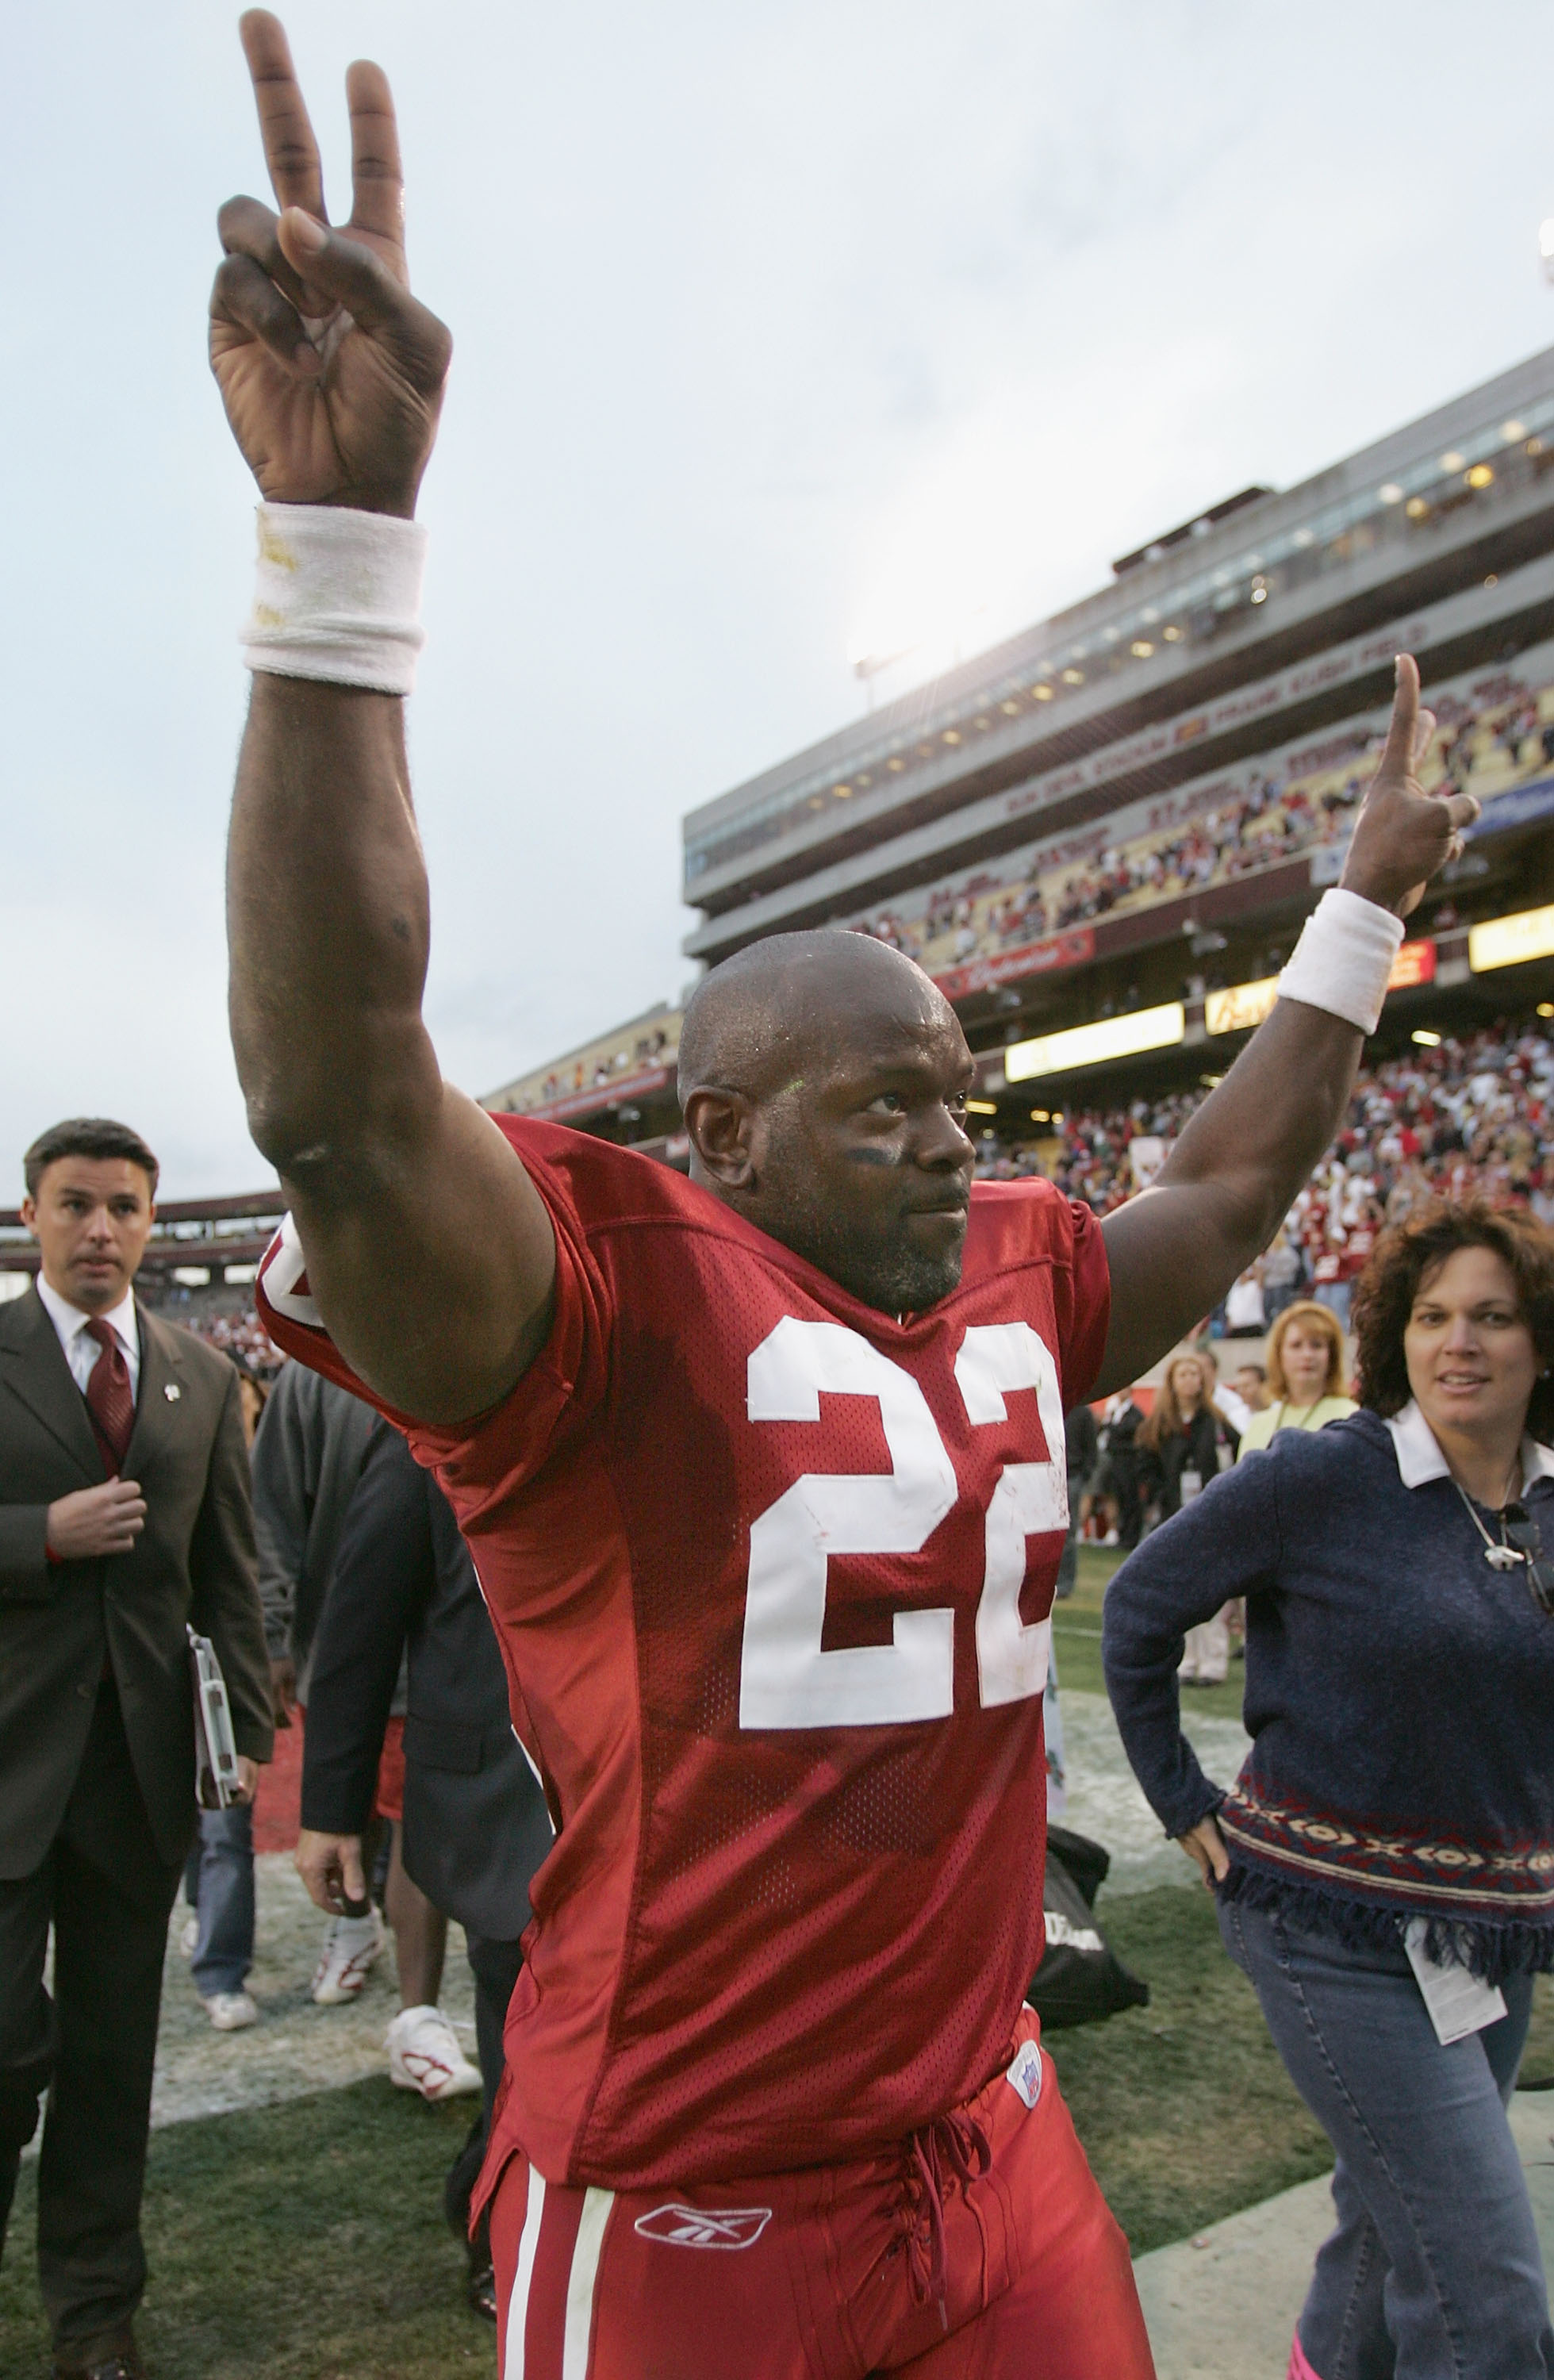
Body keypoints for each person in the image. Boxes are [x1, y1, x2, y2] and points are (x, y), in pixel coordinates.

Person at [208, 18, 1472, 2370]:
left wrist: (1352, 910)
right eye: (879, 1100)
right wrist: (340, 565)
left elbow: (1219, 1168)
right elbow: (342, 1098)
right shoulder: (593, 1303)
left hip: (988, 2128)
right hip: (684, 2198)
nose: (944, 1136)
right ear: (718, 1136)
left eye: (960, 1096)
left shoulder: (1010, 1267)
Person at [1101, 1202, 1554, 2379]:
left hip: (1489, 1938)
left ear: (1537, 1344)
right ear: (1394, 1337)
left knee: (1383, 2234)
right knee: (1489, 2310)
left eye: (1491, 1318)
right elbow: (1139, 1611)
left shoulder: (1551, 1503)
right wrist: (1180, 1800)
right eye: (1431, 1315)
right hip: (1322, 1928)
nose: (1457, 1342)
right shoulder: (1323, 1474)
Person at [0, 1119, 273, 2380]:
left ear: (151, 1222)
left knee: (112, 2066)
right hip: (4, 1773)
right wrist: (36, 1534)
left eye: (123, 1207)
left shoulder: (200, 1377)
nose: (100, 1228)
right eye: (75, 1205)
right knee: (6, 2057)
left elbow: (230, 1574)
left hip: (137, 1779)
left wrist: (248, 1733)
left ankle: (95, 2321)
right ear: (31, 1216)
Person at [296, 1420, 554, 2319]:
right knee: (518, 2021)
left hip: (645, 1781)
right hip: (497, 1798)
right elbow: (360, 1619)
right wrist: (331, 1812)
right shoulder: (430, 1420)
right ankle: (501, 2238)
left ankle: (502, 2198)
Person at [249, 1357, 382, 2001]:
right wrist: (272, 1634)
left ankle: (418, 2001)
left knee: (427, 1813)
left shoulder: (466, 1343)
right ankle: (354, 1924)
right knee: (345, 1800)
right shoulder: (309, 1376)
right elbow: (270, 1516)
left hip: (442, 1642)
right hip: (335, 1642)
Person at [1136, 1355, 1239, 1683]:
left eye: (1195, 1373)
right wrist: (1155, 1494)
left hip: (1211, 1515)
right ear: (1172, 1381)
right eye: (1183, 1373)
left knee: (1212, 1592)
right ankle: (1188, 1659)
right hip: (1174, 1515)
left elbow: (1237, 1455)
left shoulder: (1217, 1421)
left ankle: (1213, 1662)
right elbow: (1145, 1463)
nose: (1189, 1379)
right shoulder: (1160, 1425)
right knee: (1180, 1592)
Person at [1234, 1299, 1355, 1454]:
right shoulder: (1258, 1425)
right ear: (1279, 1355)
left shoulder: (1351, 1417)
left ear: (1331, 1355)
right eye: (1296, 1345)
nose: (1307, 1355)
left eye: (1317, 1345)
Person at [1054, 1399, 1098, 1599]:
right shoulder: (1049, 1404)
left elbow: (1091, 1449)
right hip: (1051, 1473)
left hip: (1072, 1476)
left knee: (1067, 1534)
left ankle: (1065, 1583)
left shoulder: (1082, 1412)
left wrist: (1084, 1474)